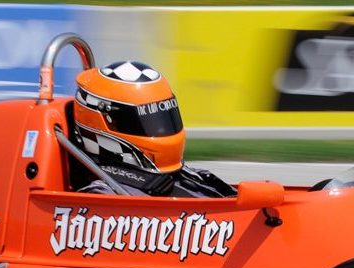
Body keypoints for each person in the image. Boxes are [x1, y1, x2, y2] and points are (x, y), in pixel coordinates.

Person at [69, 60, 235, 198]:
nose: (161, 128)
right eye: (146, 120)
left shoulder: (190, 177)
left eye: (163, 116)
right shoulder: (103, 196)